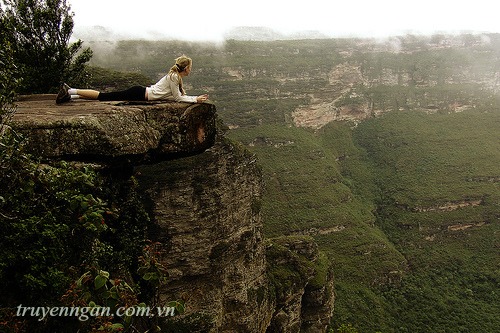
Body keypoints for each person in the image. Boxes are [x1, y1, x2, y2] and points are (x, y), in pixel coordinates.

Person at [56, 55, 209, 104]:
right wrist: (196, 99)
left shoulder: (174, 76)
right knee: (103, 97)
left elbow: (172, 96)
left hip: (141, 93)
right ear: (186, 68)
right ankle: (70, 90)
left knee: (105, 97)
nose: (191, 69)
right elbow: (177, 98)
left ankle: (71, 96)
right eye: (190, 67)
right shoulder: (174, 77)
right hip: (139, 94)